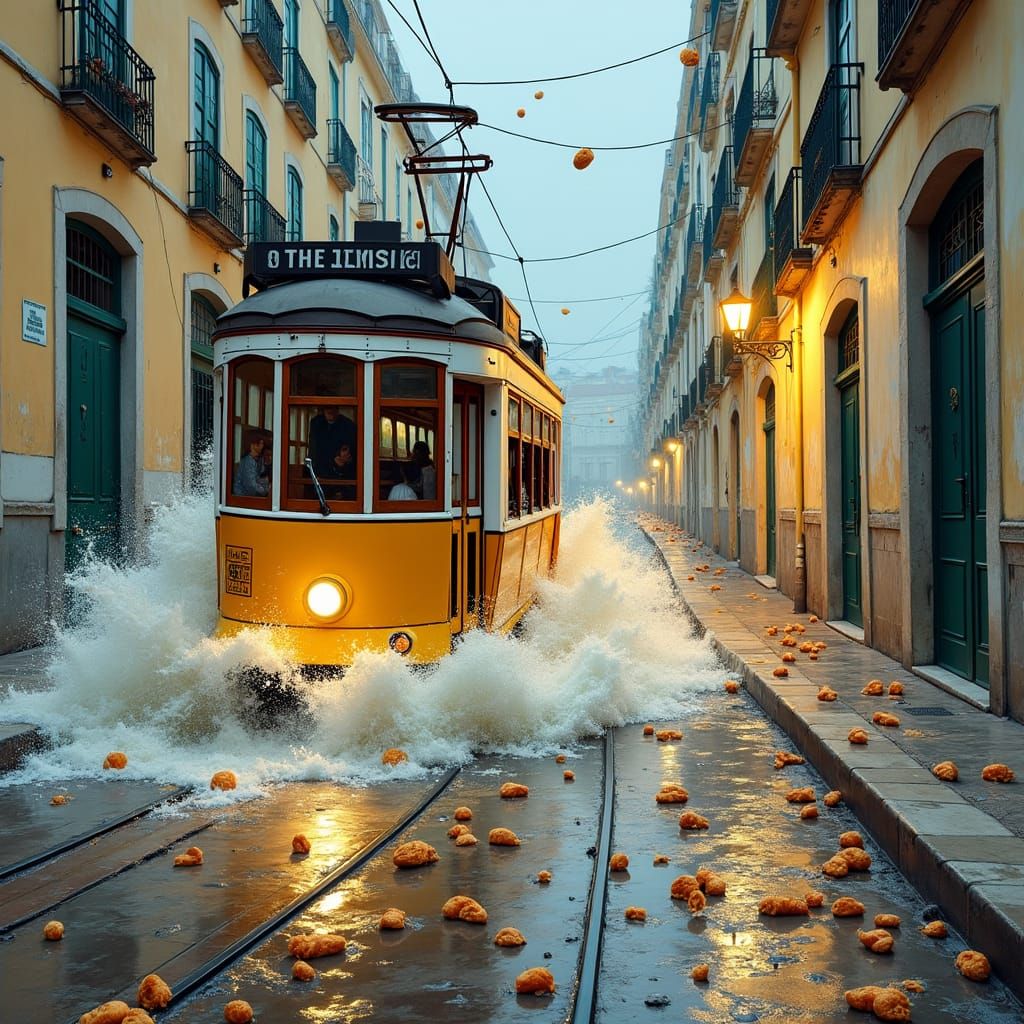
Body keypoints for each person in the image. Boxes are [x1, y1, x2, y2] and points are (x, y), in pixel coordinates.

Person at [308, 406, 356, 478]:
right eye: (328, 407)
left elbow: (351, 452)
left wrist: (344, 459)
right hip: (319, 473)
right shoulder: (316, 424)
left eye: (333, 407)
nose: (330, 410)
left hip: (343, 476)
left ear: (337, 409)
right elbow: (313, 451)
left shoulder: (348, 426)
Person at [233, 430, 271, 497]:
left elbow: (257, 479)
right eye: (260, 443)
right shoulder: (248, 462)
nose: (262, 446)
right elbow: (251, 487)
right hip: (243, 499)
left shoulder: (257, 460)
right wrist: (266, 490)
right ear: (253, 445)